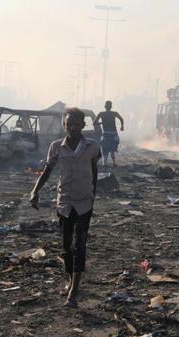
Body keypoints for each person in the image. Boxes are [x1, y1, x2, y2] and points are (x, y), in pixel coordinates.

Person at [29, 108, 101, 308]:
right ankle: (71, 279)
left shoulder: (92, 146)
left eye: (77, 124)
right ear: (64, 125)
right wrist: (35, 191)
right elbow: (47, 171)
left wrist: (93, 193)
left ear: (83, 126)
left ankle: (74, 291)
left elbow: (94, 170)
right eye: (69, 124)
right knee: (66, 247)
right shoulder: (56, 147)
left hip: (85, 202)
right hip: (65, 203)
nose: (73, 128)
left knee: (80, 246)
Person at [94, 100, 124, 167]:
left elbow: (94, 123)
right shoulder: (114, 113)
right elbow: (121, 119)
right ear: (111, 107)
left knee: (104, 148)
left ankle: (105, 163)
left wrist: (102, 123)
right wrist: (122, 127)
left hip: (106, 134)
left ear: (105, 107)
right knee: (112, 148)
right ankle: (113, 162)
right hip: (113, 134)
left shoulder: (101, 114)